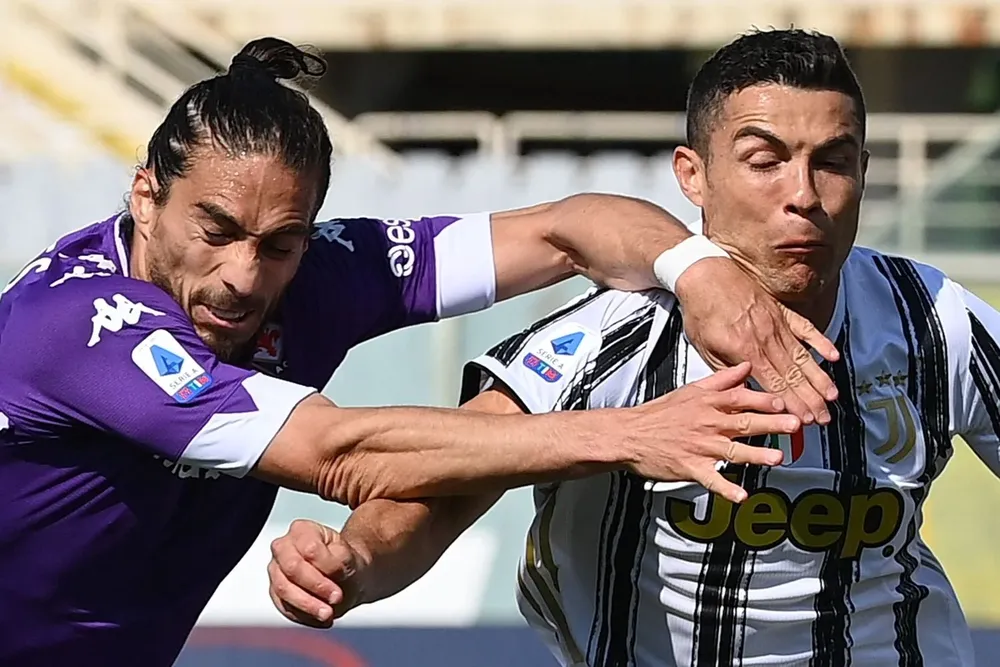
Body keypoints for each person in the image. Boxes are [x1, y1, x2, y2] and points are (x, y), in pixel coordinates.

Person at [0, 37, 836, 667]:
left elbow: (568, 228)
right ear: (146, 195)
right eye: (214, 232)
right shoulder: (79, 323)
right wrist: (631, 432)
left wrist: (698, 271)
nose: (242, 278)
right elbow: (339, 452)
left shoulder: (323, 273)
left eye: (280, 242)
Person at [267, 29, 1000, 666]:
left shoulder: (935, 320)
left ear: (864, 172)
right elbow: (450, 481)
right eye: (765, 159)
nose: (802, 193)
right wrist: (355, 560)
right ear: (694, 175)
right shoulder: (620, 331)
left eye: (832, 161)